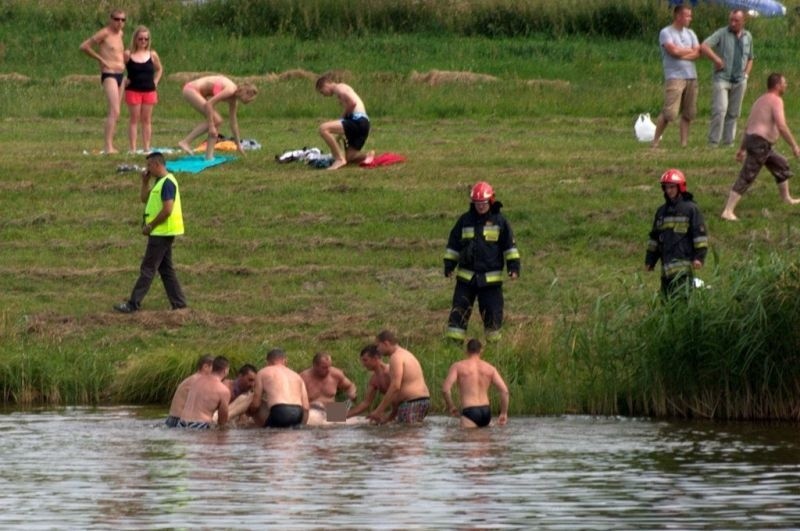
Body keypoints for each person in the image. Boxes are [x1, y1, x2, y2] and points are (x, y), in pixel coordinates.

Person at [444, 181, 520, 343]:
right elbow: (453, 245)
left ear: (491, 200)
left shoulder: (500, 222)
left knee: (493, 315)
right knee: (458, 313)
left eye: (483, 203)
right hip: (466, 280)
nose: (480, 207)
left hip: (490, 282)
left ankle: (494, 348)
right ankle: (452, 345)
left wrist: (513, 268)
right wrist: (449, 265)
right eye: (477, 203)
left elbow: (510, 247)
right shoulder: (464, 221)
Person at [114, 152, 187, 313]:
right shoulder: (159, 182)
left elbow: (167, 210)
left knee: (148, 268)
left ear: (156, 165)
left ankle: (133, 304)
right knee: (166, 269)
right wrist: (144, 182)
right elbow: (144, 199)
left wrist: (151, 226)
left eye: (149, 165)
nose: (147, 169)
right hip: (162, 232)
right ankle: (179, 304)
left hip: (161, 232)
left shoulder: (167, 183)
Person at [721, 73, 800, 221]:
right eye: (784, 83)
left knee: (781, 164)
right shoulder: (776, 100)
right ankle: (728, 210)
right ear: (777, 85)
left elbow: (749, 126)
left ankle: (787, 198)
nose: (786, 85)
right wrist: (794, 146)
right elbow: (782, 126)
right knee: (748, 175)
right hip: (760, 144)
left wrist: (742, 148)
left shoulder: (760, 100)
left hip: (757, 142)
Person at [645, 169, 708, 297]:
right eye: (666, 187)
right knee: (666, 301)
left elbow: (699, 236)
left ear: (680, 187)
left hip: (683, 267)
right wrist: (650, 260)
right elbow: (654, 239)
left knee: (682, 300)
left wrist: (699, 258)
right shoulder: (661, 212)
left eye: (672, 187)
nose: (669, 191)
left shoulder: (691, 209)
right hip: (666, 268)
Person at [700, 9, 754, 148]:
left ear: (743, 21)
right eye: (731, 20)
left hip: (739, 79)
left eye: (736, 20)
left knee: (734, 113)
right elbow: (704, 46)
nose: (733, 23)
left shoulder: (748, 36)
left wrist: (746, 75)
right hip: (722, 78)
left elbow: (750, 58)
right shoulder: (722, 33)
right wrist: (716, 59)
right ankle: (713, 142)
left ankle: (728, 141)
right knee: (720, 110)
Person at [651, 5, 700, 149]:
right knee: (669, 113)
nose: (689, 19)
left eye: (690, 16)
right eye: (687, 16)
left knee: (688, 112)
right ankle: (655, 141)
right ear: (678, 16)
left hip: (691, 76)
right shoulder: (666, 32)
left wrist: (683, 52)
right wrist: (688, 52)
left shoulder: (691, 33)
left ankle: (683, 143)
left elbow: (698, 52)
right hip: (675, 76)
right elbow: (673, 51)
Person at [79, 9, 126, 154]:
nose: (119, 23)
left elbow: (117, 52)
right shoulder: (104, 33)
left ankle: (110, 144)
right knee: (115, 110)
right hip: (109, 73)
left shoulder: (120, 34)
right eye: (117, 19)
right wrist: (101, 59)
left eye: (123, 20)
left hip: (121, 73)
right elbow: (84, 46)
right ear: (110, 19)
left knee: (116, 112)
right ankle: (108, 146)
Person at [178, 75, 258, 160]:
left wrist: (238, 145)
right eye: (250, 97)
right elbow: (209, 104)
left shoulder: (233, 100)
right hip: (191, 89)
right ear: (244, 91)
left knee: (217, 122)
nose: (250, 100)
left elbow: (233, 123)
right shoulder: (230, 90)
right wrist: (211, 125)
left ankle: (209, 156)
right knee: (217, 120)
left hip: (199, 93)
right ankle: (185, 142)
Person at [442, 339, 510, 428]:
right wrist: (504, 413)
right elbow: (504, 391)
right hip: (486, 412)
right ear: (481, 351)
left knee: (469, 441)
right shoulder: (490, 368)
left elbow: (445, 390)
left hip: (470, 411)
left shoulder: (458, 367)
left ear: (466, 351)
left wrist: (451, 406)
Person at [367, 330, 430, 424]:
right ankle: (337, 415)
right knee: (407, 434)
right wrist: (389, 417)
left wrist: (378, 411)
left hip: (412, 402)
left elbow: (395, 386)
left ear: (386, 343)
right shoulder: (405, 354)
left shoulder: (395, 357)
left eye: (378, 346)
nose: (378, 350)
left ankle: (336, 415)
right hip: (422, 401)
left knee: (405, 436)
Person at [315, 72, 375, 171]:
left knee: (323, 128)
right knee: (350, 157)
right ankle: (367, 156)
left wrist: (342, 119)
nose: (323, 95)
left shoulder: (339, 88)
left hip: (357, 120)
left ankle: (339, 159)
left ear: (326, 85)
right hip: (364, 124)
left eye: (322, 92)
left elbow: (352, 103)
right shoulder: (343, 88)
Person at [124, 25, 163, 153]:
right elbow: (118, 67)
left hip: (149, 90)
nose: (143, 42)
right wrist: (123, 79)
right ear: (135, 39)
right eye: (140, 39)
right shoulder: (128, 54)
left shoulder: (152, 54)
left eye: (146, 39)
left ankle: (146, 147)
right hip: (133, 90)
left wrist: (156, 81)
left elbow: (159, 69)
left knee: (146, 119)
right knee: (134, 119)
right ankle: (133, 148)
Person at [249, 349, 309, 428]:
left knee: (249, 398)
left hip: (280, 412)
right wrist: (302, 425)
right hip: (298, 413)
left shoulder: (263, 372)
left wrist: (249, 414)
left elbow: (256, 404)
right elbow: (306, 407)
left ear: (267, 362)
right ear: (285, 361)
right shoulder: (297, 376)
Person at [179, 356, 231, 429]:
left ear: (213, 368)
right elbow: (222, 419)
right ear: (225, 370)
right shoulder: (223, 390)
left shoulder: (196, 381)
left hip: (181, 423)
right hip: (200, 425)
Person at [165, 355, 213, 428]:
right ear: (205, 367)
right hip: (180, 421)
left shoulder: (194, 378)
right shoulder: (198, 381)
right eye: (215, 368)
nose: (216, 372)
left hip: (173, 419)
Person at [347, 344, 392, 418]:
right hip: (395, 410)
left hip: (408, 404)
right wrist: (341, 416)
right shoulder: (373, 380)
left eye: (365, 360)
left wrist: (379, 411)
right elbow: (366, 403)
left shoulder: (390, 371)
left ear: (375, 358)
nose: (363, 364)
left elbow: (398, 390)